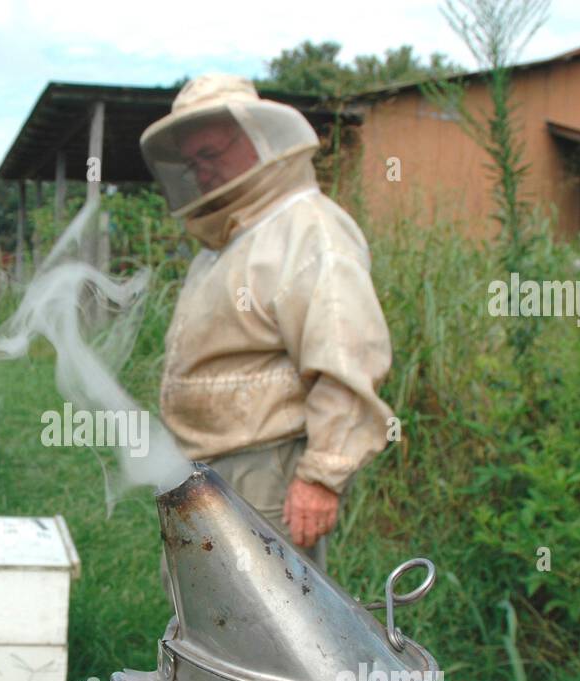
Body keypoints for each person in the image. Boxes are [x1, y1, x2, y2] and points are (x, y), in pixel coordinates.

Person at [140, 73, 394, 573]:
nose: (202, 173)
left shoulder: (308, 229)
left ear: (258, 141)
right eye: (193, 163)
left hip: (266, 471)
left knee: (265, 630)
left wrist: (322, 476)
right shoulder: (227, 242)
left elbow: (344, 355)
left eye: (211, 155)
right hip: (202, 467)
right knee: (208, 618)